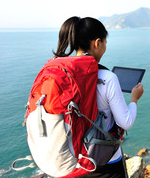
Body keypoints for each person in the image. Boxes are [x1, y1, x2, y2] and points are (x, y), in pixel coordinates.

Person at [53, 16, 144, 178]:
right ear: (97, 43)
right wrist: (134, 100)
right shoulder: (107, 78)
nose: (105, 47)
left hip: (75, 159)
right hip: (105, 161)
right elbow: (126, 122)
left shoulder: (64, 74)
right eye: (105, 42)